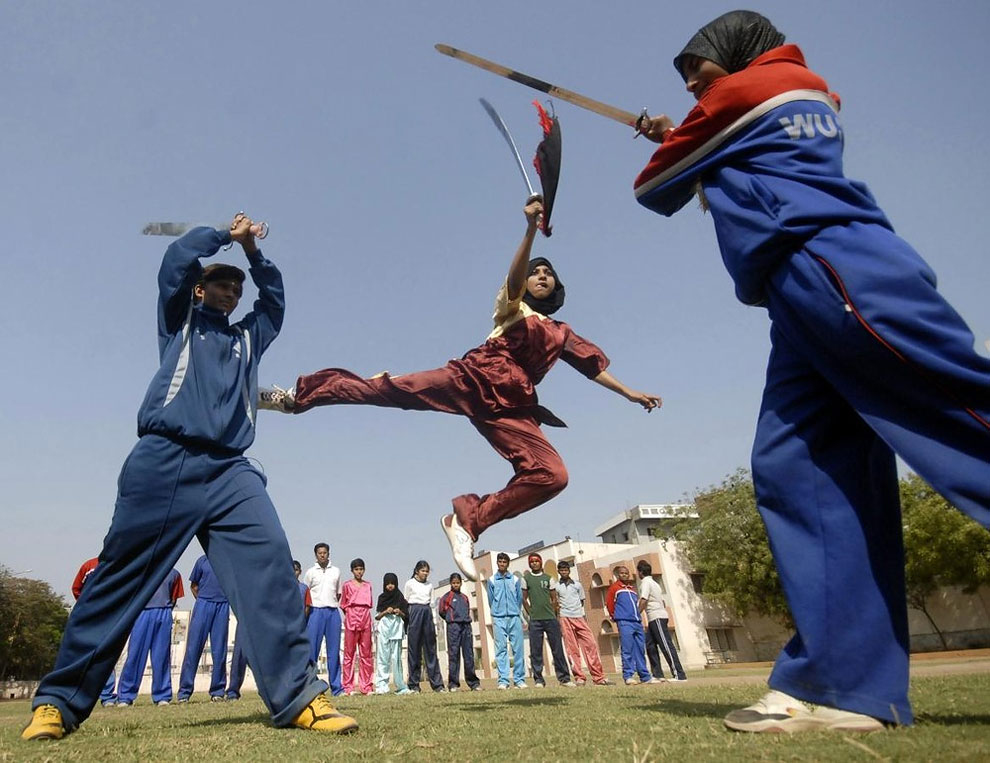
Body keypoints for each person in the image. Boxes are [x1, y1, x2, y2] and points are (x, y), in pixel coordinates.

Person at [633, 8, 990, 733]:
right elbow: (722, 168)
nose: (699, 90)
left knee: (964, 419)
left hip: (839, 271)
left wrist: (677, 136)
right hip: (800, 297)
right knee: (798, 467)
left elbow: (653, 188)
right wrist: (689, 134)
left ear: (738, 56)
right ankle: (844, 685)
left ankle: (844, 679)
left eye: (702, 76)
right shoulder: (793, 94)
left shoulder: (748, 95)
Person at [22, 215, 356, 742]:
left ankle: (298, 696)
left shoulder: (249, 338)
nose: (232, 291)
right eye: (222, 283)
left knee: (271, 566)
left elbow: (275, 304)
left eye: (236, 286)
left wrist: (254, 254)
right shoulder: (181, 320)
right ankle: (58, 703)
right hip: (165, 458)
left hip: (229, 470)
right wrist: (224, 232)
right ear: (201, 290)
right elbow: (175, 259)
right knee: (118, 575)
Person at [260, 198, 661, 582]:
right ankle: (297, 398)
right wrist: (529, 231)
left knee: (553, 475)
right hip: (473, 378)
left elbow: (592, 366)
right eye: (537, 271)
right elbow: (515, 278)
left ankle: (469, 521)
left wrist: (630, 393)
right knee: (386, 389)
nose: (542, 275)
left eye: (548, 273)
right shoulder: (515, 308)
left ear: (557, 286)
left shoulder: (561, 332)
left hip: (513, 406)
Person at [227, 561, 311, 701]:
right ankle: (233, 692)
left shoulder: (276, 583)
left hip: (263, 623)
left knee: (265, 658)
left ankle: (268, 690)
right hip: (245, 620)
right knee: (240, 656)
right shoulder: (242, 579)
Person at [116, 568, 184, 706]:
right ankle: (125, 696)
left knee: (161, 656)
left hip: (163, 613)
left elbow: (174, 597)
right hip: (143, 612)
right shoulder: (140, 569)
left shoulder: (174, 573)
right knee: (135, 655)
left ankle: (162, 695)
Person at [177, 555, 229, 702]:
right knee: (193, 649)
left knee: (220, 651)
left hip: (223, 605)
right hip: (203, 603)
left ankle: (218, 692)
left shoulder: (229, 560)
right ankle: (184, 693)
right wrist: (202, 600)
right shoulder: (202, 561)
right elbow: (193, 585)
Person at [70, 558, 119, 707]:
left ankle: (107, 696)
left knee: (106, 653)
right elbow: (76, 588)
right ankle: (78, 695)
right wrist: (86, 605)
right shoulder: (90, 566)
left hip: (109, 614)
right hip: (89, 613)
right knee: (85, 654)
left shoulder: (119, 565)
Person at [554, 560, 611, 686]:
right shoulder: (556, 586)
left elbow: (581, 602)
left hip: (579, 617)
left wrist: (577, 613)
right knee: (572, 649)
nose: (564, 572)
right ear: (558, 571)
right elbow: (555, 603)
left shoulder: (577, 585)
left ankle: (598, 677)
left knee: (590, 645)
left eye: (566, 570)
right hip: (565, 618)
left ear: (569, 571)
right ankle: (579, 677)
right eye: (562, 570)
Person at [521, 553, 574, 687]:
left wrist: (555, 614)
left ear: (540, 562)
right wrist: (530, 613)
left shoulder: (549, 578)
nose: (534, 563)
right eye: (531, 561)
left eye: (536, 561)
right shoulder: (526, 579)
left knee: (557, 649)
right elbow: (524, 599)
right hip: (535, 620)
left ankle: (564, 679)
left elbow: (554, 599)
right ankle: (539, 679)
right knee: (536, 651)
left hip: (550, 619)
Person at [303, 543, 344, 696]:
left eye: (325, 552)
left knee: (334, 651)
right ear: (315, 555)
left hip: (332, 611)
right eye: (319, 553)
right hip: (315, 612)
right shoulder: (310, 572)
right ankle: (311, 685)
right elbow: (305, 593)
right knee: (313, 650)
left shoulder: (336, 571)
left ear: (328, 554)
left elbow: (338, 593)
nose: (322, 555)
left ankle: (337, 687)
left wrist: (331, 604)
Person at [636, 561, 685, 682]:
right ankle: (658, 674)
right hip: (654, 618)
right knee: (650, 645)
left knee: (666, 645)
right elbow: (663, 602)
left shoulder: (646, 583)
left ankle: (679, 675)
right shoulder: (655, 584)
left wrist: (636, 614)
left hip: (657, 617)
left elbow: (644, 600)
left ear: (640, 572)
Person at [605, 567, 655, 686]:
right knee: (627, 649)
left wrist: (638, 616)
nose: (624, 575)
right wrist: (614, 616)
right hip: (624, 622)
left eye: (626, 573)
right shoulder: (614, 588)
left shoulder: (632, 589)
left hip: (637, 622)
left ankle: (645, 676)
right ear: (617, 575)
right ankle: (628, 675)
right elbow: (610, 604)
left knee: (640, 649)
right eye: (622, 573)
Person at [403, 561, 445, 693]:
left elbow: (432, 603)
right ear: (416, 571)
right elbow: (406, 601)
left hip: (427, 613)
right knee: (414, 650)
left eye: (427, 571)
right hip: (414, 611)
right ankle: (414, 684)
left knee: (431, 650)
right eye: (423, 571)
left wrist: (433, 621)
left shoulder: (430, 585)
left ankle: (437, 685)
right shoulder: (409, 583)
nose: (425, 573)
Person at [486, 553, 526, 689]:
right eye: (500, 561)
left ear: (508, 564)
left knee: (518, 648)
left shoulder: (515, 579)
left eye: (504, 562)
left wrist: (515, 610)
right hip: (498, 618)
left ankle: (519, 679)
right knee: (501, 649)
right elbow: (491, 600)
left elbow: (519, 598)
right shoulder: (491, 580)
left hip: (514, 616)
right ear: (497, 563)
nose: (502, 564)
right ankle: (503, 680)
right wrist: (497, 611)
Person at [437, 573, 481, 691]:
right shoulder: (446, 597)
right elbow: (441, 612)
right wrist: (451, 619)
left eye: (457, 583)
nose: (456, 585)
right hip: (453, 627)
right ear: (450, 583)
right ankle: (453, 684)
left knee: (469, 655)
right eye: (453, 583)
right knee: (453, 655)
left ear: (461, 583)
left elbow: (467, 610)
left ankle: (473, 683)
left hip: (466, 626)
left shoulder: (465, 597)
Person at [339, 558, 374, 696]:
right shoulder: (347, 585)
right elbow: (343, 604)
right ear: (352, 570)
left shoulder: (368, 585)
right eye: (356, 569)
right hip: (352, 617)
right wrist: (349, 614)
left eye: (361, 569)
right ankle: (348, 686)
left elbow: (370, 602)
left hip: (365, 617)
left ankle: (366, 686)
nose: (359, 572)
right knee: (349, 653)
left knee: (366, 653)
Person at [374, 573, 411, 695]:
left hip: (396, 629)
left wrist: (399, 612)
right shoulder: (382, 598)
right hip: (384, 629)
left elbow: (406, 616)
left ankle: (400, 685)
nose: (390, 586)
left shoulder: (400, 598)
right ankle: (381, 685)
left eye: (392, 583)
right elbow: (377, 616)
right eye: (388, 583)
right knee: (383, 657)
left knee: (396, 658)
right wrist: (385, 612)